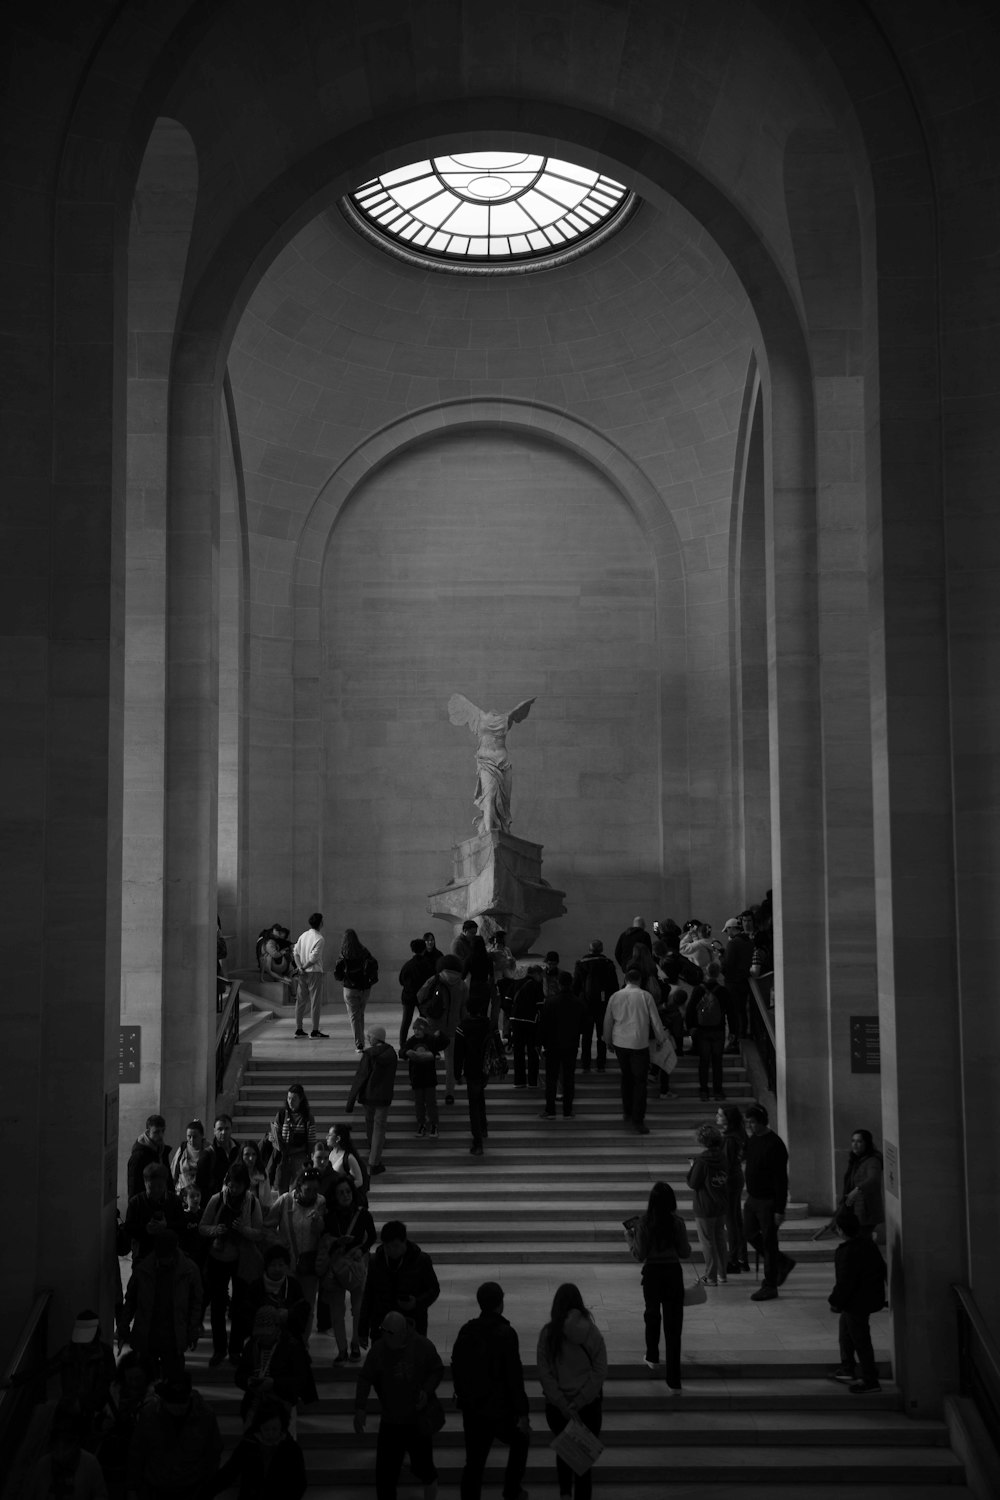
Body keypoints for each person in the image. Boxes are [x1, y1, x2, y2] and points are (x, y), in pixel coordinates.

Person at [451, 1281, 530, 1500]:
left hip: (474, 1408)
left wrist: (463, 1393)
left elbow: (456, 1363)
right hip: (500, 1409)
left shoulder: (467, 1330)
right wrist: (522, 1412)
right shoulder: (506, 1333)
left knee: (474, 1463)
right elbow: (514, 1376)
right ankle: (512, 1489)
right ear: (500, 1303)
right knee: (521, 1441)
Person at [353, 1310, 444, 1500]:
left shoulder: (421, 1346)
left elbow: (436, 1369)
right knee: (385, 1477)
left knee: (425, 1469)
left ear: (403, 1332)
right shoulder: (379, 1350)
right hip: (391, 1422)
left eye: (390, 1333)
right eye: (383, 1331)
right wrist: (360, 1407)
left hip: (416, 1421)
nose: (385, 1337)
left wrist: (426, 1392)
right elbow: (365, 1378)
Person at [536, 1283, 607, 1500]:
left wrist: (562, 1403)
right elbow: (599, 1371)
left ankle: (565, 1494)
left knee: (564, 1453)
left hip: (558, 1408)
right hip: (588, 1407)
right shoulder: (592, 1333)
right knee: (583, 1464)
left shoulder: (549, 1333)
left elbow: (544, 1372)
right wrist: (581, 1400)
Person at [199, 1163, 265, 1366]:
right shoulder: (217, 1199)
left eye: (237, 1186)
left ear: (245, 1185)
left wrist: (244, 1230)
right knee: (218, 1306)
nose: (233, 1189)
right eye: (230, 1185)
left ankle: (236, 1349)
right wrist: (215, 1231)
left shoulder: (252, 1203)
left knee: (240, 1306)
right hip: (218, 1257)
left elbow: (259, 1232)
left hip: (242, 1259)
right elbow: (202, 1226)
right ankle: (220, 1349)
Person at [629, 1181, 691, 1392]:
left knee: (652, 1314)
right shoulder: (678, 1223)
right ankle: (674, 1379)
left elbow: (640, 1255)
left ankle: (653, 1355)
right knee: (674, 1326)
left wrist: (630, 1239)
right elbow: (685, 1252)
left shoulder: (644, 1223)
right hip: (673, 1272)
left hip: (653, 1273)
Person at [447, 691, 536, 834]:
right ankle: (488, 834)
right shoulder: (480, 716)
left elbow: (518, 710)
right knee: (489, 797)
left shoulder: (505, 718)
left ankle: (503, 830)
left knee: (504, 802)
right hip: (486, 761)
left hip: (504, 762)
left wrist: (526, 704)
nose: (494, 713)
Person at [126, 1368, 222, 1500]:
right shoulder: (150, 1414)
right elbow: (137, 1451)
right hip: (155, 1488)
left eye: (180, 1403)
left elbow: (213, 1453)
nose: (176, 1409)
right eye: (172, 1403)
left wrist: (207, 1487)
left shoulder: (205, 1416)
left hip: (192, 1489)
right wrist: (132, 1487)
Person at [123, 1229, 202, 1379]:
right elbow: (131, 1300)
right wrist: (123, 1326)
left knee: (170, 1377)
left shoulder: (188, 1271)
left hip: (170, 1334)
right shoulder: (187, 1270)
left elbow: (196, 1303)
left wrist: (192, 1330)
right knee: (151, 1376)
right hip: (152, 1333)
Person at [827, 1207, 888, 1394]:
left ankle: (870, 1380)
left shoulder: (848, 1252)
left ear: (841, 1230)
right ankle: (847, 1368)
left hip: (856, 1302)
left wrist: (835, 1301)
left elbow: (845, 1281)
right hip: (865, 1298)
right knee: (846, 1332)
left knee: (860, 1339)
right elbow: (882, 1269)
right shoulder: (867, 1244)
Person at [317, 1174, 377, 1364]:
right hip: (336, 1265)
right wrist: (337, 1242)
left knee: (358, 1309)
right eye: (341, 1193)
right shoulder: (329, 1216)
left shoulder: (363, 1214)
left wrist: (362, 1249)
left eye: (348, 1191)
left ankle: (355, 1344)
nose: (345, 1195)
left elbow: (372, 1236)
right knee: (337, 1310)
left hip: (356, 1264)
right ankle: (342, 1349)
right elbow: (324, 1239)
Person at [602, 965, 665, 1135]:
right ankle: (638, 1119)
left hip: (620, 1042)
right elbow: (655, 1020)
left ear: (625, 980)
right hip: (639, 1043)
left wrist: (608, 1041)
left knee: (626, 1077)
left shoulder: (615, 996)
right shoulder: (645, 996)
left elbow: (608, 1020)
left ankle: (627, 1111)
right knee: (640, 1082)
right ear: (640, 980)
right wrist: (661, 1039)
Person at [208, 1394, 306, 1500]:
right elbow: (229, 1472)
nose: (271, 1434)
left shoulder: (291, 1449)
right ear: (259, 1427)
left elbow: (299, 1483)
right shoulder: (248, 1445)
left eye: (274, 1429)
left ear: (282, 1426)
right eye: (266, 1429)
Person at [265, 1165, 326, 1334]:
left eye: (315, 1189)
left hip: (309, 1265)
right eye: (308, 1189)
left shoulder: (320, 1202)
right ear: (299, 1186)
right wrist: (278, 1240)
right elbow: (267, 1226)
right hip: (288, 1265)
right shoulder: (285, 1200)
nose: (311, 1193)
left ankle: (302, 1343)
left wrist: (318, 1222)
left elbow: (321, 1232)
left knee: (307, 1306)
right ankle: (284, 1341)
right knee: (285, 1304)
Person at [234, 1305, 317, 1428]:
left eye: (267, 1334)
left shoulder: (292, 1347)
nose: (263, 1339)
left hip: (283, 1403)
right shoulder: (252, 1345)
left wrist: (275, 1383)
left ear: (277, 1329)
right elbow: (239, 1376)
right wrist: (248, 1381)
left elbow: (300, 1380)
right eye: (260, 1335)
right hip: (255, 1403)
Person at [743, 1103, 795, 1300]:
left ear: (762, 1121)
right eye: (748, 1122)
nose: (750, 1126)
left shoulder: (775, 1144)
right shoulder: (753, 1139)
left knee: (769, 1242)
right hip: (753, 1198)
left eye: (753, 1122)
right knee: (748, 1232)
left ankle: (770, 1285)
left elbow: (781, 1179)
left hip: (768, 1201)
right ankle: (783, 1262)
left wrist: (779, 1209)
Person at [359, 1220, 440, 1343]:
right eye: (387, 1246)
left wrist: (416, 1303)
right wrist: (363, 1330)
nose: (392, 1250)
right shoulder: (376, 1262)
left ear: (405, 1242)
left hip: (412, 1324)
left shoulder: (421, 1260)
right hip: (382, 1325)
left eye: (396, 1246)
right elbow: (368, 1296)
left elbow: (433, 1290)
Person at [346, 1024, 398, 1176]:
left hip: (368, 1095)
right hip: (384, 1096)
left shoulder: (369, 1055)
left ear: (376, 1038)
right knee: (379, 1127)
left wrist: (351, 1100)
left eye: (369, 1036)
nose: (368, 1039)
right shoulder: (391, 1053)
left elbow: (360, 1077)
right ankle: (375, 1160)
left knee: (370, 1123)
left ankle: (372, 1150)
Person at [27, 1404, 108, 1500]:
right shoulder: (43, 1465)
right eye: (58, 1436)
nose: (61, 1445)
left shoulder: (90, 1464)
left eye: (68, 1438)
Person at [417, 952, 466, 1102]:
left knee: (429, 1058)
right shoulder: (462, 984)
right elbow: (464, 1008)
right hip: (452, 1026)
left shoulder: (435, 979)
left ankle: (428, 1091)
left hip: (433, 1025)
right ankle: (449, 1093)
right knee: (449, 1061)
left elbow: (420, 996)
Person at [686, 1124, 731, 1286]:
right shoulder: (723, 1157)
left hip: (705, 1206)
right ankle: (722, 1274)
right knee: (720, 1239)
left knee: (707, 1242)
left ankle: (710, 1277)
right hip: (721, 1205)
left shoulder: (702, 1161)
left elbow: (693, 1183)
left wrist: (692, 1167)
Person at [537, 970, 585, 1120]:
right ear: (570, 983)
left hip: (552, 1045)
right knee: (569, 1078)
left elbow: (543, 1025)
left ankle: (550, 1110)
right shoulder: (578, 1002)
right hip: (571, 1044)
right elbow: (584, 1025)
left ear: (559, 983)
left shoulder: (550, 1002)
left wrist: (542, 1043)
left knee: (551, 1078)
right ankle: (567, 1110)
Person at [245, 1243, 311, 1345]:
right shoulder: (256, 1285)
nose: (277, 1269)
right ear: (266, 1266)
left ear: (287, 1266)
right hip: (261, 1337)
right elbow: (246, 1312)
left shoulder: (293, 1285)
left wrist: (289, 1314)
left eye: (281, 1265)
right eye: (273, 1265)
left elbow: (303, 1310)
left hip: (289, 1336)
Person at [123, 1164, 186, 1265]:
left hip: (169, 1253)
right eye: (151, 1187)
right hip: (143, 1254)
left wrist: (167, 1226)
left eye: (160, 1187)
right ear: (145, 1183)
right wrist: (146, 1229)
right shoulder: (136, 1202)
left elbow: (182, 1226)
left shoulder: (174, 1201)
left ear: (165, 1184)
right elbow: (129, 1228)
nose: (156, 1191)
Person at [453, 995, 493, 1156]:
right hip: (485, 1067)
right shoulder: (488, 1024)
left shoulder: (463, 1027)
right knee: (480, 1098)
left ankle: (478, 1141)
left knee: (474, 1104)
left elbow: (458, 1053)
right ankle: (483, 1127)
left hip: (471, 1068)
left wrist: (457, 1073)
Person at [572, 939, 619, 1072]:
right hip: (602, 1004)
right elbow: (613, 986)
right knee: (602, 1035)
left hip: (585, 1003)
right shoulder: (608, 964)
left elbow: (576, 986)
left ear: (589, 949)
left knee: (586, 1036)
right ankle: (601, 1064)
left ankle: (585, 1064)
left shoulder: (581, 964)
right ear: (601, 949)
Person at [684, 963, 728, 1101]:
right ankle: (718, 1091)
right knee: (717, 1062)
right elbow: (731, 1011)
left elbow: (690, 1009)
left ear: (706, 973)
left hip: (702, 1030)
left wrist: (690, 1026)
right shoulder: (723, 991)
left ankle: (704, 1090)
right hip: (718, 1030)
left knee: (704, 1061)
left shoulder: (698, 989)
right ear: (718, 973)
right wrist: (735, 1031)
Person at [401, 1014, 448, 1138]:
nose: (416, 1031)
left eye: (419, 1029)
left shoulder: (431, 1040)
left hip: (429, 1078)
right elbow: (402, 1051)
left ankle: (434, 1124)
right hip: (416, 1078)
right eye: (415, 1029)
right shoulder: (411, 1041)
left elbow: (444, 1043)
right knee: (419, 1103)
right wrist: (406, 1052)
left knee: (431, 1102)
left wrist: (440, 1034)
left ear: (425, 1030)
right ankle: (421, 1124)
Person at [717, 1103, 750, 1274]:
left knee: (731, 1221)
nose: (717, 1117)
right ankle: (742, 1257)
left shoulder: (730, 1139)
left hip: (730, 1181)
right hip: (736, 1177)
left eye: (720, 1115)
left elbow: (726, 1164)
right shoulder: (738, 1134)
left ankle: (734, 1259)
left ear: (728, 1119)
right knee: (736, 1219)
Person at [334, 927, 379, 1052]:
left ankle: (359, 1043)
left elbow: (338, 974)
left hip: (350, 988)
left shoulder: (343, 953)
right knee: (360, 1014)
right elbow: (373, 964)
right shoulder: (364, 951)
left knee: (354, 1016)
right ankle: (361, 1040)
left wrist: (343, 977)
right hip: (365, 988)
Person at [268, 1083, 317, 1193]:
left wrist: (309, 1157)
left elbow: (311, 1140)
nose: (291, 1102)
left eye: (294, 1099)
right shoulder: (281, 1115)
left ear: (301, 1099)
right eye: (289, 1098)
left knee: (297, 1188)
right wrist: (273, 1138)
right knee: (281, 1188)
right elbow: (276, 1133)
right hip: (283, 1157)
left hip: (299, 1157)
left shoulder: (307, 1117)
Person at [840, 1129, 885, 1234]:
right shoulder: (857, 1160)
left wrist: (857, 1189)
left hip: (867, 1209)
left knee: (862, 1240)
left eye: (859, 1141)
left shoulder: (873, 1160)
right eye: (853, 1141)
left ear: (867, 1143)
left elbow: (873, 1179)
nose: (855, 1144)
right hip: (857, 1208)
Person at [292, 910, 328, 1039]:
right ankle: (314, 1030)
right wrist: (303, 967)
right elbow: (313, 959)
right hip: (314, 973)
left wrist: (299, 968)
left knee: (300, 1001)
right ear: (321, 923)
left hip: (302, 974)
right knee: (315, 1002)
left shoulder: (303, 935)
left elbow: (295, 952)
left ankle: (299, 1029)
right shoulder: (319, 938)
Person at [508, 964, 543, 1089]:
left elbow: (507, 1000)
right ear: (537, 974)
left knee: (518, 1051)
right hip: (530, 1021)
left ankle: (519, 1081)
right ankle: (533, 1081)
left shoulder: (516, 983)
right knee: (532, 1050)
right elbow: (540, 1005)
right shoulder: (536, 985)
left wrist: (511, 1014)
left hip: (515, 1020)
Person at [720, 916, 754, 1037]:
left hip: (733, 982)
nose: (726, 933)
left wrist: (721, 960)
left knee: (733, 1011)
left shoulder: (733, 943)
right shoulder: (749, 942)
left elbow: (728, 964)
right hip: (745, 980)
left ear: (731, 928)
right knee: (742, 1010)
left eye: (727, 930)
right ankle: (743, 1034)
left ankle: (735, 1037)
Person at [126, 1116, 171, 1201]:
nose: (161, 1135)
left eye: (163, 1131)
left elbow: (168, 1179)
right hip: (146, 1204)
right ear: (147, 1132)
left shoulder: (162, 1150)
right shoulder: (138, 1156)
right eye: (156, 1132)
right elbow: (134, 1187)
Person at [399, 937, 431, 1050]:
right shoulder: (427, 964)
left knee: (406, 1021)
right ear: (424, 949)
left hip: (408, 996)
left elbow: (401, 980)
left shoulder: (408, 965)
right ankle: (426, 1043)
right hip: (423, 997)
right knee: (425, 1020)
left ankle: (402, 1045)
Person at [168, 1121, 210, 1200]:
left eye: (195, 1137)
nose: (191, 1140)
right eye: (189, 1136)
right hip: (182, 1193)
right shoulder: (183, 1148)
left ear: (201, 1136)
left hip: (200, 1195)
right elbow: (174, 1170)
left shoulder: (208, 1150)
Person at [326, 1121, 368, 1198]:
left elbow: (359, 1181)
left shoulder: (348, 1158)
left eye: (330, 1135)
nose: (327, 1137)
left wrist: (344, 1190)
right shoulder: (331, 1153)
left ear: (338, 1138)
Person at [203, 1115, 241, 1197]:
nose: (223, 1132)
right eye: (220, 1129)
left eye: (227, 1128)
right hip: (216, 1200)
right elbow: (202, 1184)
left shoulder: (239, 1150)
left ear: (231, 1130)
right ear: (214, 1131)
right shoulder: (208, 1154)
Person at [240, 1140, 275, 1211]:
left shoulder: (262, 1173)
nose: (251, 1158)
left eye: (254, 1154)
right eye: (247, 1155)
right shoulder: (235, 1172)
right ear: (241, 1156)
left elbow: (267, 1200)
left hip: (259, 1212)